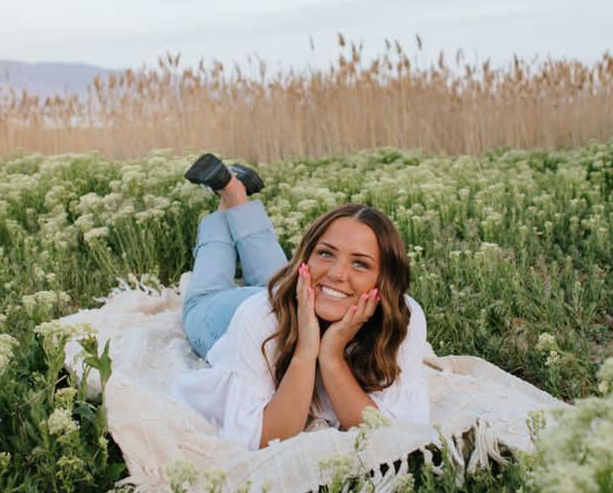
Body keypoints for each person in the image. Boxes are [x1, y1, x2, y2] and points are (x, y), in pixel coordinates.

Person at [170, 153, 430, 450]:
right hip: (234, 316)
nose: (336, 273)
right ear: (305, 257)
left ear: (384, 280)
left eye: (360, 264)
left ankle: (235, 192)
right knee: (202, 299)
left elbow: (390, 434)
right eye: (326, 253)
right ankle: (227, 200)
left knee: (280, 281)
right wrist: (307, 350)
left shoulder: (403, 316)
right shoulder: (258, 317)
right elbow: (264, 438)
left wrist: (330, 356)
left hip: (297, 295)